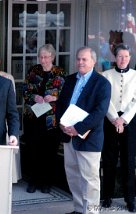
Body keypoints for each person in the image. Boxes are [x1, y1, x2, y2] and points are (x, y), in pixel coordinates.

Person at [56, 46, 111, 214]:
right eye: (78, 59)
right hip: (68, 136)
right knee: (73, 177)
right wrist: (62, 123)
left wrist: (78, 128)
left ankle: (92, 212)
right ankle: (79, 209)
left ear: (93, 61)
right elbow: (61, 104)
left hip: (89, 138)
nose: (80, 62)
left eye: (84, 59)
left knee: (90, 181)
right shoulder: (70, 79)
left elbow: (100, 112)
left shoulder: (102, 83)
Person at [23, 44, 65, 193]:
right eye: (41, 56)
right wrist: (35, 96)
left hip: (51, 120)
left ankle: (46, 182)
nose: (43, 59)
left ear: (52, 57)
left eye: (46, 57)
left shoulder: (60, 72)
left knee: (49, 151)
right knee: (34, 150)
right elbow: (25, 91)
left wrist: (54, 96)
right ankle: (33, 181)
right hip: (34, 117)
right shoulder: (33, 71)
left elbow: (65, 95)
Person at [101, 44, 136, 212]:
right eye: (120, 56)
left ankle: (130, 199)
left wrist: (124, 119)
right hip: (110, 122)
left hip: (130, 122)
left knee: (129, 161)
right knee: (109, 160)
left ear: (130, 58)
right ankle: (107, 195)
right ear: (115, 57)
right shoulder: (106, 75)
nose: (123, 59)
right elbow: (105, 100)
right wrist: (115, 119)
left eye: (126, 56)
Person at [0, 53, 21, 183]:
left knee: (8, 144)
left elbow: (11, 100)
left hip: (5, 117)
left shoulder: (7, 78)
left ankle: (10, 177)